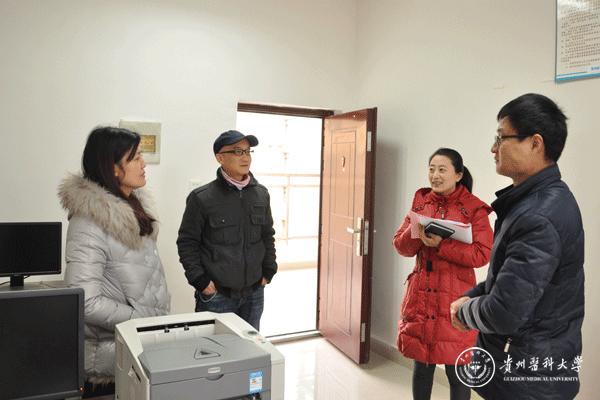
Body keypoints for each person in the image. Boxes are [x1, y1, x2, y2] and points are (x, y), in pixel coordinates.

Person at [451, 93, 584, 400]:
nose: (493, 148)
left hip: (527, 378)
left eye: (501, 138)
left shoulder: (538, 215)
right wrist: (473, 295)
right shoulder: (537, 201)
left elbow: (504, 313)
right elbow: (510, 280)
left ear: (535, 144)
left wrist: (464, 311)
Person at [58, 127, 170, 398]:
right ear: (113, 168)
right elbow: (85, 301)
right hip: (110, 361)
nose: (144, 164)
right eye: (135, 157)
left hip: (141, 346)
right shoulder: (88, 222)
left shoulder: (135, 208)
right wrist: (142, 320)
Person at [393, 148, 494, 400]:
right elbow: (401, 247)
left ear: (458, 175)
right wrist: (417, 233)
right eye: (431, 169)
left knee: (457, 370)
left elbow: (482, 254)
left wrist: (443, 244)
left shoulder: (474, 208)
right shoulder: (421, 203)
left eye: (442, 170)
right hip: (421, 296)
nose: (435, 175)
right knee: (421, 366)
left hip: (455, 299)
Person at [177, 130, 277, 331]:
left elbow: (268, 235)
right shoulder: (202, 198)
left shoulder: (261, 194)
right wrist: (200, 280)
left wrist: (269, 270)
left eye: (247, 151)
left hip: (254, 293)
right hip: (217, 296)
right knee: (214, 348)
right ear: (220, 158)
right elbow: (187, 243)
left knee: (251, 346)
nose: (245, 157)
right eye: (238, 152)